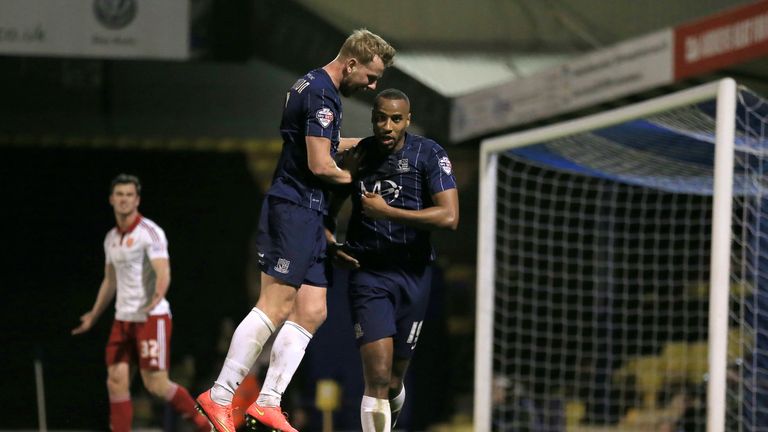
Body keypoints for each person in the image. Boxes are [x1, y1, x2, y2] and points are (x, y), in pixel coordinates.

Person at [195, 28, 396, 432]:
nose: (372, 86)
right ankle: (219, 395)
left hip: (311, 212)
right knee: (275, 304)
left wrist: (354, 144)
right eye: (370, 77)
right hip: (295, 209)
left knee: (313, 309)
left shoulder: (313, 84)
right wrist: (363, 188)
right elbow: (320, 165)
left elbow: (318, 143)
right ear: (352, 63)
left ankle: (269, 401)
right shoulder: (322, 93)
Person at [326, 88, 459, 431]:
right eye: (380, 118)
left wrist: (389, 212)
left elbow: (449, 217)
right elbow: (327, 206)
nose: (387, 125)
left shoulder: (428, 154)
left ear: (408, 120)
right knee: (378, 375)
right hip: (368, 274)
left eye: (396, 119)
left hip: (414, 274)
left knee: (395, 380)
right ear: (373, 119)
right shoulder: (360, 156)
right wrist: (329, 243)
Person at [71, 174, 211, 432]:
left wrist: (158, 293)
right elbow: (110, 280)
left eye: (129, 195)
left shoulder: (150, 232)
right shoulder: (111, 238)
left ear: (137, 200)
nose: (124, 200)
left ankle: (205, 424)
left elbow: (163, 270)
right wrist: (93, 315)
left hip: (151, 317)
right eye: (119, 195)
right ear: (112, 199)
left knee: (156, 385)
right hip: (123, 319)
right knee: (116, 380)